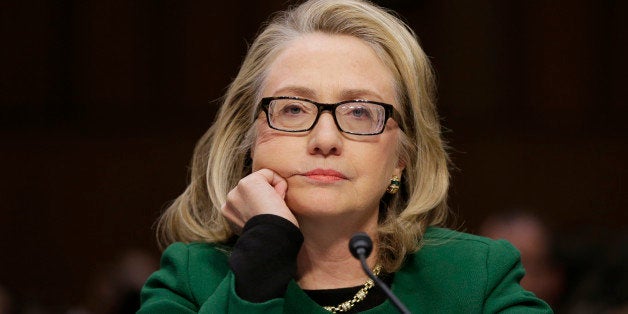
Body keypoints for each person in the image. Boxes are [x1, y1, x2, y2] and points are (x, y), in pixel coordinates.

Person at [138, 0, 553, 312]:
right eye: (293, 108)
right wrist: (260, 264)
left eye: (359, 112)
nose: (324, 138)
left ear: (402, 157)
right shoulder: (191, 279)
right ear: (248, 139)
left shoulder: (475, 276)